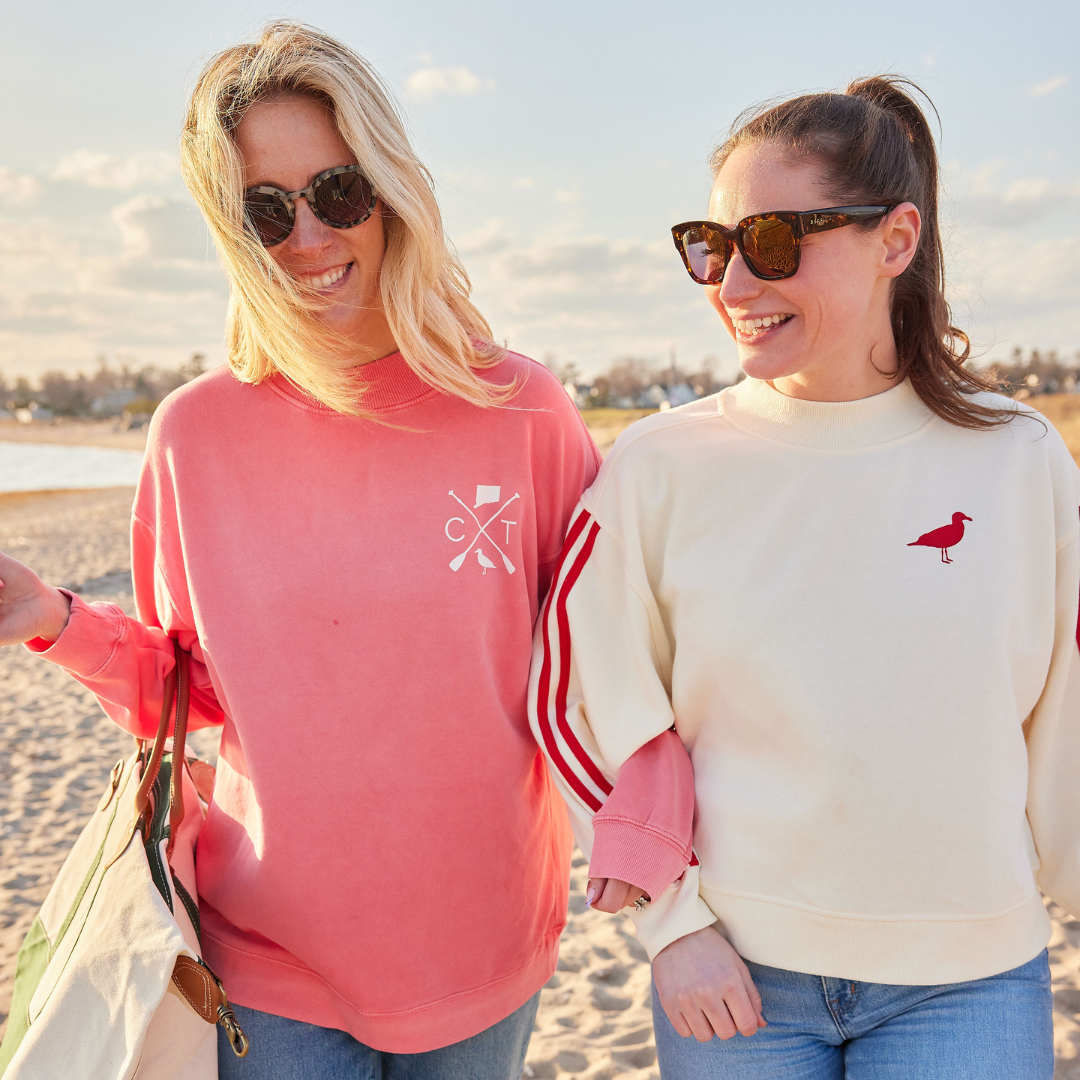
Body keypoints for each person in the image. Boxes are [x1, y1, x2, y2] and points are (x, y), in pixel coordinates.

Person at [0, 21, 600, 1079]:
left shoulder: (521, 410)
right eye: (267, 211)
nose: (310, 238)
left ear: (392, 191)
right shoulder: (193, 434)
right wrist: (53, 620)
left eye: (338, 193)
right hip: (268, 953)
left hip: (485, 938)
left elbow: (603, 661)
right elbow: (191, 687)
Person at [529, 76, 1080, 1078]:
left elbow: (1068, 714)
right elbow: (577, 700)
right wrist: (672, 925)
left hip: (972, 977)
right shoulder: (659, 466)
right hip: (736, 979)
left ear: (896, 240)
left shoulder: (1020, 457)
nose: (734, 285)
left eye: (776, 241)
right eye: (713, 245)